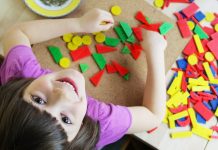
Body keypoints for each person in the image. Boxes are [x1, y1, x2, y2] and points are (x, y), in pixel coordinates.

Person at [0, 8, 167, 150]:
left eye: (38, 100)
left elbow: (16, 33)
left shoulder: (19, 74)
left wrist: (79, 24)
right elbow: (154, 115)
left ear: (15, 92)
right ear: (79, 131)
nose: (62, 94)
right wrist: (155, 51)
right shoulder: (101, 122)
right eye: (65, 119)